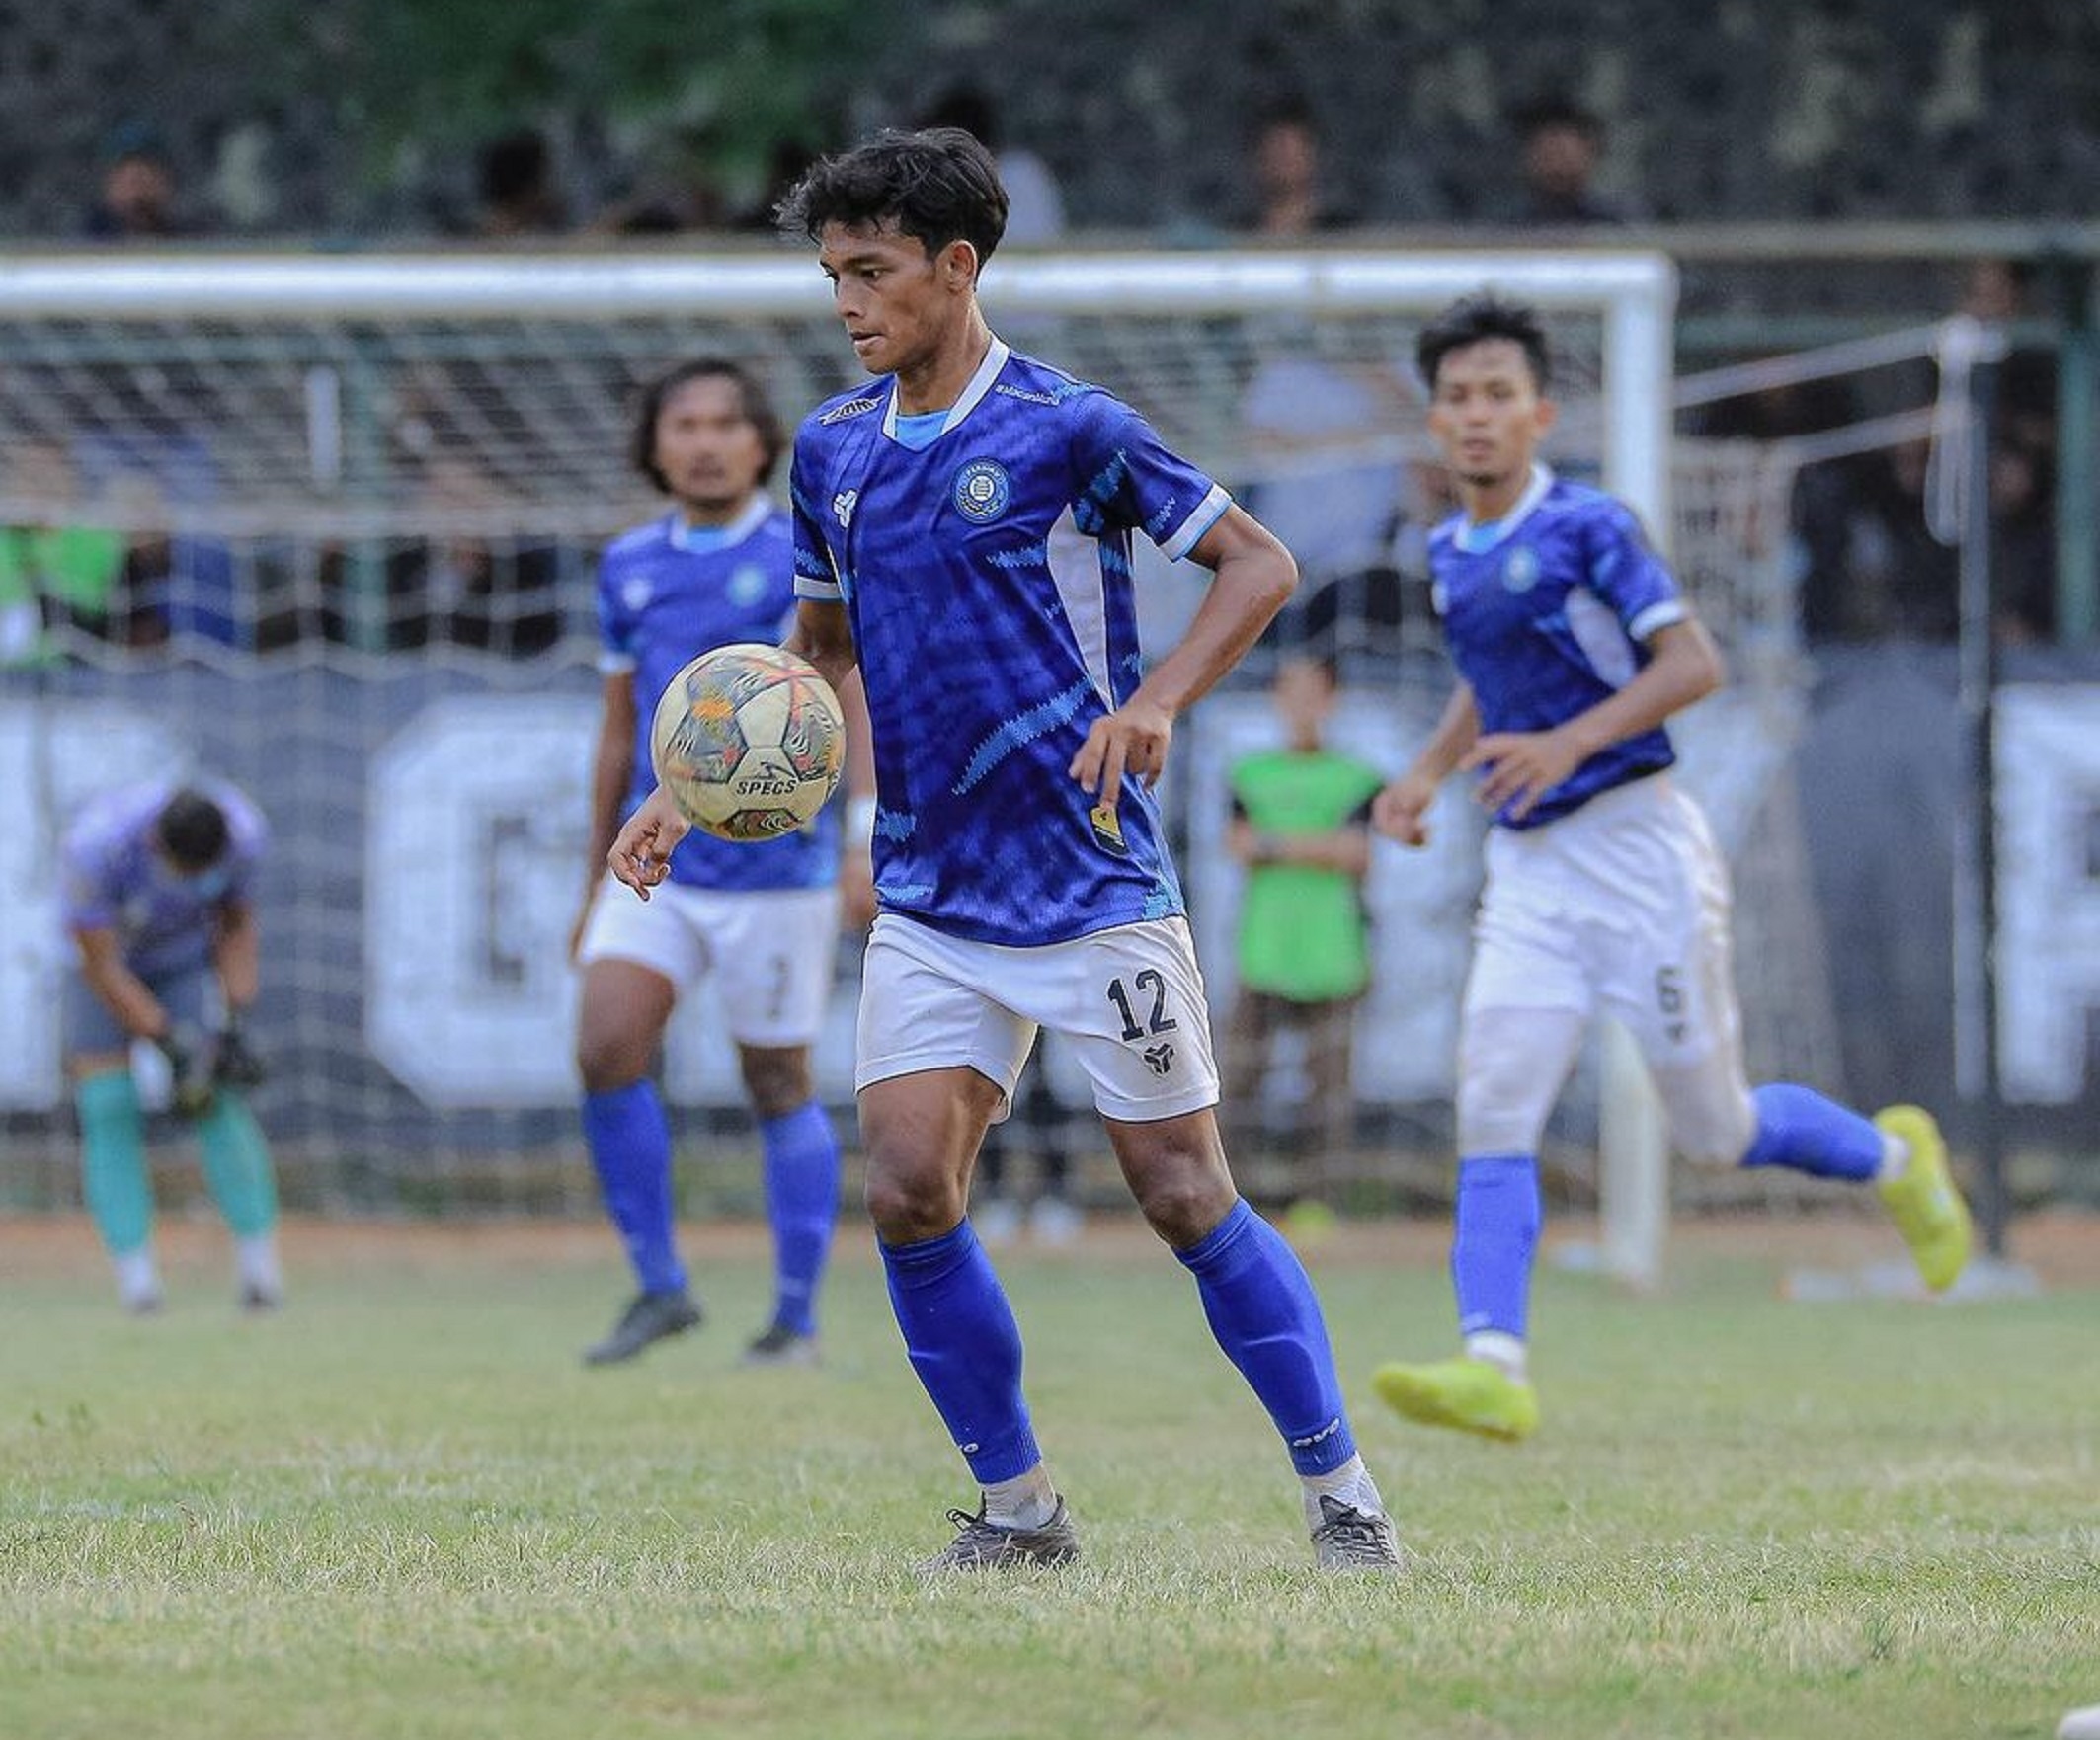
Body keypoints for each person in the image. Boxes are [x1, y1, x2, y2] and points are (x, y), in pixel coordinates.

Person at [607, 127, 1401, 1572]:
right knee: (908, 1184)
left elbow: (1258, 563)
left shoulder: (1065, 426)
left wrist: (1158, 697)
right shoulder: (833, 448)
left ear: (955, 265)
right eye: (831, 276)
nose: (846, 303)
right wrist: (694, 785)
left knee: (1179, 1191)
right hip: (928, 891)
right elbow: (818, 655)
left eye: (871, 272)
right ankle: (1022, 1511)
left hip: (1091, 881)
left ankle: (1340, 1490)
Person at [1367, 293, 1974, 1444]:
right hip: (1532, 869)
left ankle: (1898, 1155)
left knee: (1713, 1130)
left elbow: (1690, 664)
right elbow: (1484, 679)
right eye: (1456, 398)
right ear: (1434, 423)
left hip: (1639, 853)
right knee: (1494, 1102)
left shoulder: (1590, 526)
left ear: (1539, 413)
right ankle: (1492, 1359)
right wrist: (1425, 772)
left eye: (1498, 394)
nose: (1476, 416)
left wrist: (1566, 742)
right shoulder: (1449, 548)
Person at [570, 357, 874, 1370]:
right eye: (682, 423)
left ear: (759, 441)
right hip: (657, 861)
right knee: (606, 1043)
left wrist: (860, 839)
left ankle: (793, 1315)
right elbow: (618, 729)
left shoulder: (799, 547)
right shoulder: (627, 565)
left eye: (722, 423)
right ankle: (659, 1287)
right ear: (654, 445)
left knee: (776, 1080)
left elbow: (846, 694)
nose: (702, 441)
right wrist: (587, 879)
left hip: (776, 873)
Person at [60, 780, 283, 1314]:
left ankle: (259, 1268)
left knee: (215, 1095)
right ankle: (137, 1281)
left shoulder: (244, 835)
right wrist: (168, 1040)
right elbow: (101, 964)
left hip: (182, 960)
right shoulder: (95, 849)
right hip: (106, 964)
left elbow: (236, 923)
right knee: (109, 1104)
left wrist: (234, 1019)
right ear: (158, 849)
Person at [1222, 653, 1385, 1205]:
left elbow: (1357, 855)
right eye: (1290, 691)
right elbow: (1239, 847)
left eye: (1312, 692)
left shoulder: (1357, 778)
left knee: (1328, 1092)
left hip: (1333, 951)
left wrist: (1276, 844)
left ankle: (1321, 1204)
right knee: (1236, 1082)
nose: (1301, 706)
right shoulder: (1250, 773)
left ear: (1332, 701)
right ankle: (1227, 1202)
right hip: (1263, 948)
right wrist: (1318, 847)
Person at [1503, 97, 1634, 227]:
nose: (1556, 167)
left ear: (1590, 156)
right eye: (1547, 156)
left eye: (1564, 155)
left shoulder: (1620, 221)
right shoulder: (1505, 224)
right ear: (1529, 159)